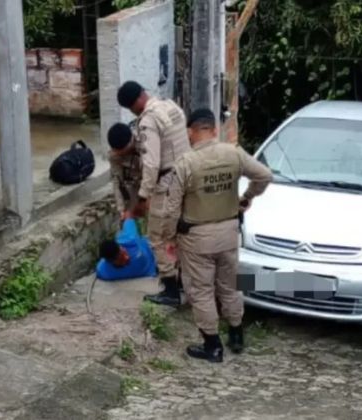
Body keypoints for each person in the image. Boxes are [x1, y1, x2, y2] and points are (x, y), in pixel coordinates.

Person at [166, 108, 272, 363]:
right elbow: (264, 175)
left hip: (197, 237)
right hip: (228, 232)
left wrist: (169, 238)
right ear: (214, 129)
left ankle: (212, 345)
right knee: (231, 285)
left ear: (191, 132)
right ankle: (236, 334)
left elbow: (170, 208)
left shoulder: (186, 163)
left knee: (201, 290)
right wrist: (246, 198)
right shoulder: (233, 153)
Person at [116, 81, 191, 307]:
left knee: (158, 236)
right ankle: (183, 283)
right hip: (186, 176)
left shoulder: (148, 121)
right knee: (179, 234)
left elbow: (151, 164)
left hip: (167, 183)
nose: (133, 112)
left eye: (131, 108)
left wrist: (142, 196)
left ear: (136, 101)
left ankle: (170, 291)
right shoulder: (170, 106)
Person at [107, 122, 142, 221]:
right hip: (133, 183)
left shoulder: (143, 146)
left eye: (122, 152)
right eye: (116, 151)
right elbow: (117, 181)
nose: (118, 154)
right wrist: (121, 210)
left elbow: (152, 176)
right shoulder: (114, 155)